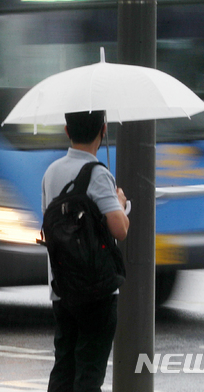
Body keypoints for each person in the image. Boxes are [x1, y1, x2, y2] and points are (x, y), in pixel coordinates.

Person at [42, 111, 129, 392]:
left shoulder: (51, 172)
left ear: (67, 129)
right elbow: (120, 229)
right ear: (103, 130)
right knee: (89, 376)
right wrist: (120, 203)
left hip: (62, 288)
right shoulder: (98, 174)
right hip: (97, 293)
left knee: (63, 371)